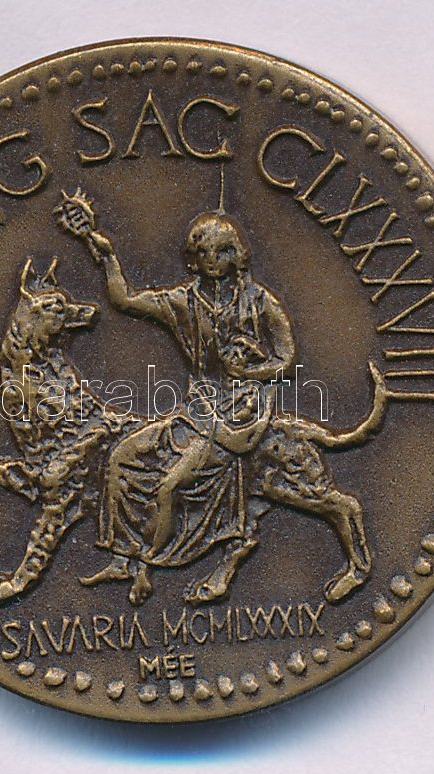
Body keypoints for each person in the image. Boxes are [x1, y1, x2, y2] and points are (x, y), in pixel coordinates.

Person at [78, 208, 296, 603]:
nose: (212, 260)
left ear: (236, 255)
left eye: (222, 251)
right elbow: (125, 300)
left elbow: (287, 359)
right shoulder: (181, 302)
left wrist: (250, 372)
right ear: (192, 259)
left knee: (169, 486)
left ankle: (149, 562)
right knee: (120, 459)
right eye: (204, 252)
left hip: (238, 414)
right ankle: (122, 557)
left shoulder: (260, 302)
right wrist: (107, 256)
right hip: (194, 411)